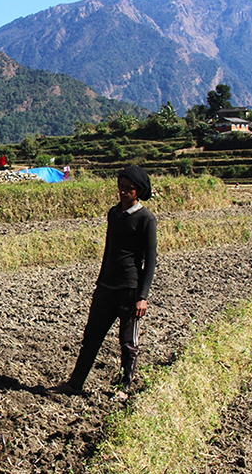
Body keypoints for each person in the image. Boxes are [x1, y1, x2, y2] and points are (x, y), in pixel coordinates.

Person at [54, 165, 157, 401]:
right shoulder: (114, 213)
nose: (123, 192)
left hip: (129, 289)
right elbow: (109, 250)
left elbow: (150, 260)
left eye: (128, 189)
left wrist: (142, 296)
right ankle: (75, 383)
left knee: (127, 343)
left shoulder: (146, 219)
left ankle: (124, 387)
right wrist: (100, 282)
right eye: (120, 187)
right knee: (91, 338)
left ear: (138, 191)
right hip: (106, 287)